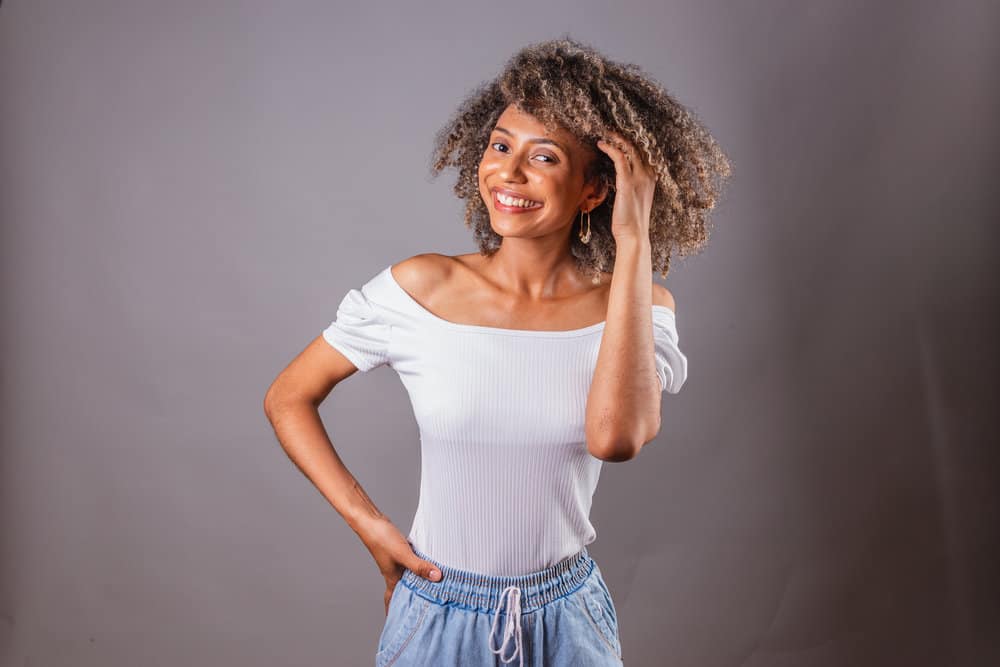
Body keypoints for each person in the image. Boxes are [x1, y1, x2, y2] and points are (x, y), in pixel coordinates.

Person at [264, 36, 730, 667]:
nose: (509, 173)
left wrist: (634, 240)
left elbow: (615, 438)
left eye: (544, 158)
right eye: (500, 146)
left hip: (567, 621)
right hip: (437, 610)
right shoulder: (420, 289)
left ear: (596, 190)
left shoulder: (641, 310)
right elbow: (288, 396)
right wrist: (372, 528)